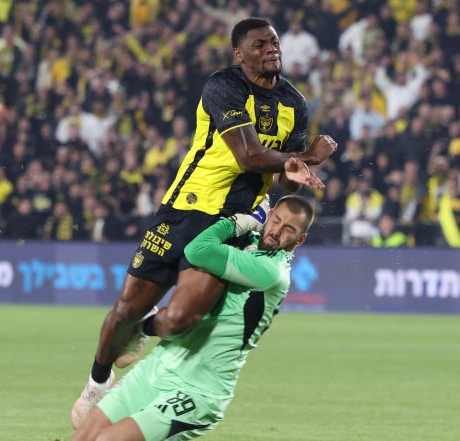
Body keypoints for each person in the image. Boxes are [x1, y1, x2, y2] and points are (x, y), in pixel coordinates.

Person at [71, 17, 337, 427]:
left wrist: (300, 169)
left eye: (274, 42)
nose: (271, 49)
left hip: (232, 223)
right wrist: (309, 157)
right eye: (260, 44)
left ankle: (143, 336)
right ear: (239, 53)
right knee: (124, 309)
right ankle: (97, 382)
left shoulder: (294, 103)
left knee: (182, 318)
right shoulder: (223, 86)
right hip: (184, 208)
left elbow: (285, 173)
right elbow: (248, 155)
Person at [73, 195, 315, 441]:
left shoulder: (272, 273)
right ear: (269, 215)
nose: (277, 231)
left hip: (199, 391)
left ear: (300, 239)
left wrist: (238, 222)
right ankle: (145, 326)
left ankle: (144, 326)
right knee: (84, 437)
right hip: (157, 367)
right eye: (276, 220)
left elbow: (197, 250)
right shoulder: (248, 242)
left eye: (289, 229)